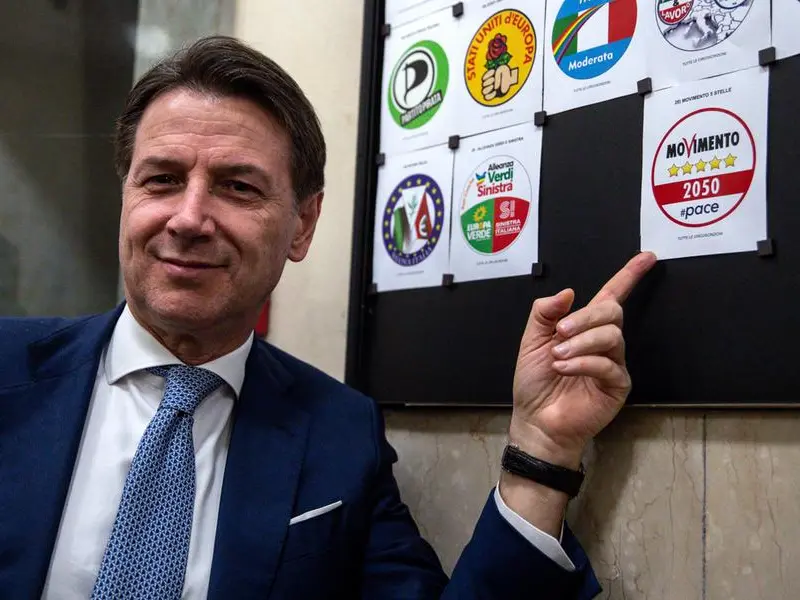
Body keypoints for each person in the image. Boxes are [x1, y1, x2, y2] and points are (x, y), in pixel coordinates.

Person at [0, 36, 656, 599]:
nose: (189, 218)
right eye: (162, 179)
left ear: (302, 226)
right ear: (126, 196)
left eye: (238, 187)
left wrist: (541, 450)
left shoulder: (339, 436)